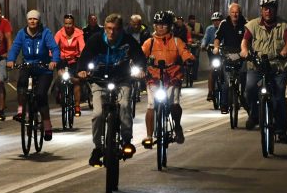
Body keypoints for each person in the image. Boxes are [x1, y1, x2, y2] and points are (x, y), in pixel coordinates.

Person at [79, 13, 146, 167]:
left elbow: (139, 56)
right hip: (99, 81)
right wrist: (82, 70)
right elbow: (85, 56)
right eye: (108, 28)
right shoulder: (96, 40)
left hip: (122, 80)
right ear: (104, 28)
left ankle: (126, 140)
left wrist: (141, 68)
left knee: (124, 106)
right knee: (97, 114)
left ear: (120, 29)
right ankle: (97, 148)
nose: (111, 32)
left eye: (115, 29)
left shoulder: (128, 40)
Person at [240, 0, 287, 143]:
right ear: (261, 10)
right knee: (249, 89)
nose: (268, 11)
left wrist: (286, 49)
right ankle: (255, 114)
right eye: (265, 8)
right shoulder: (252, 25)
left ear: (275, 10)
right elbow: (245, 41)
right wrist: (245, 51)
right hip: (257, 66)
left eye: (271, 8)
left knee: (279, 97)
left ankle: (281, 130)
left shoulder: (284, 26)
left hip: (277, 67)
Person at [141, 11, 196, 149]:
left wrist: (188, 59)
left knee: (174, 103)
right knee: (151, 105)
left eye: (164, 25)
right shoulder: (150, 42)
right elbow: (140, 55)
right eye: (158, 24)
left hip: (173, 76)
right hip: (154, 77)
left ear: (170, 26)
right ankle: (149, 136)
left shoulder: (177, 41)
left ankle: (177, 126)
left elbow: (184, 52)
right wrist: (137, 66)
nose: (160, 27)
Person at [6, 10, 60, 141]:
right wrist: (11, 60)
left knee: (41, 95)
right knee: (22, 85)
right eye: (30, 19)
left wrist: (54, 61)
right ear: (27, 20)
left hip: (43, 68)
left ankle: (47, 126)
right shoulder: (21, 34)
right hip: (28, 66)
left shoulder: (45, 33)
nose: (32, 21)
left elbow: (54, 48)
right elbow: (15, 47)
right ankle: (21, 111)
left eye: (35, 19)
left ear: (39, 20)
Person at [213, 2, 247, 114]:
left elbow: (249, 38)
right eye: (232, 12)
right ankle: (224, 104)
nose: (235, 14)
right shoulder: (224, 23)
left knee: (243, 76)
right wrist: (216, 47)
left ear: (240, 13)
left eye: (237, 12)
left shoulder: (245, 23)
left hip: (241, 55)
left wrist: (246, 50)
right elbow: (218, 37)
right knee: (227, 81)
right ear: (229, 13)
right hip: (227, 54)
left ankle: (243, 99)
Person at [54, 14, 86, 117]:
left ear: (73, 24)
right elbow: (54, 46)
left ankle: (77, 105)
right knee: (60, 75)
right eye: (66, 23)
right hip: (62, 60)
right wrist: (53, 57)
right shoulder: (59, 33)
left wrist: (82, 55)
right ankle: (60, 93)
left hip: (75, 60)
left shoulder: (79, 33)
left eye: (70, 24)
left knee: (76, 81)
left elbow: (82, 47)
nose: (68, 26)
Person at [201, 12, 223, 103]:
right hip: (213, 54)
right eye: (214, 21)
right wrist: (203, 45)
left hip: (223, 54)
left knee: (225, 71)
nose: (216, 22)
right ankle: (210, 91)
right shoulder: (209, 29)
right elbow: (205, 38)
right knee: (211, 70)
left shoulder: (224, 28)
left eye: (218, 20)